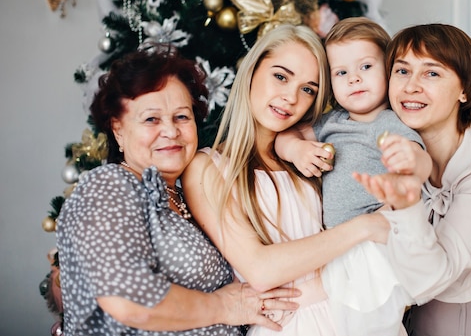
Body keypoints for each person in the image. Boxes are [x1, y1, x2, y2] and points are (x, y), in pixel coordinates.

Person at [56, 49, 301, 335]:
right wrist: (223, 307)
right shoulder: (109, 185)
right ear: (118, 130)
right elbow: (128, 300)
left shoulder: (187, 197)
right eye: (152, 119)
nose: (171, 131)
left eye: (182, 117)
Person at [181, 24, 394, 336]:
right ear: (252, 71)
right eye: (280, 76)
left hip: (354, 311)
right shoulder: (208, 168)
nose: (291, 97)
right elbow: (261, 270)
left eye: (308, 89)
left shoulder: (311, 156)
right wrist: (364, 227)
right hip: (287, 326)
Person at [353, 23, 471, 336]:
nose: (410, 86)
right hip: (413, 318)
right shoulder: (386, 152)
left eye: (431, 73)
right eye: (402, 71)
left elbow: (432, 279)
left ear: (464, 90)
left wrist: (406, 203)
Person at [274, 17, 433, 335]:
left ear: (388, 71)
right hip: (340, 241)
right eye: (341, 72)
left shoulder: (391, 123)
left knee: (367, 317)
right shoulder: (329, 121)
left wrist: (410, 162)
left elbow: (423, 161)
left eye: (366, 67)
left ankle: (302, 301)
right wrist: (297, 151)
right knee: (341, 316)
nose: (354, 79)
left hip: (376, 240)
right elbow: (284, 136)